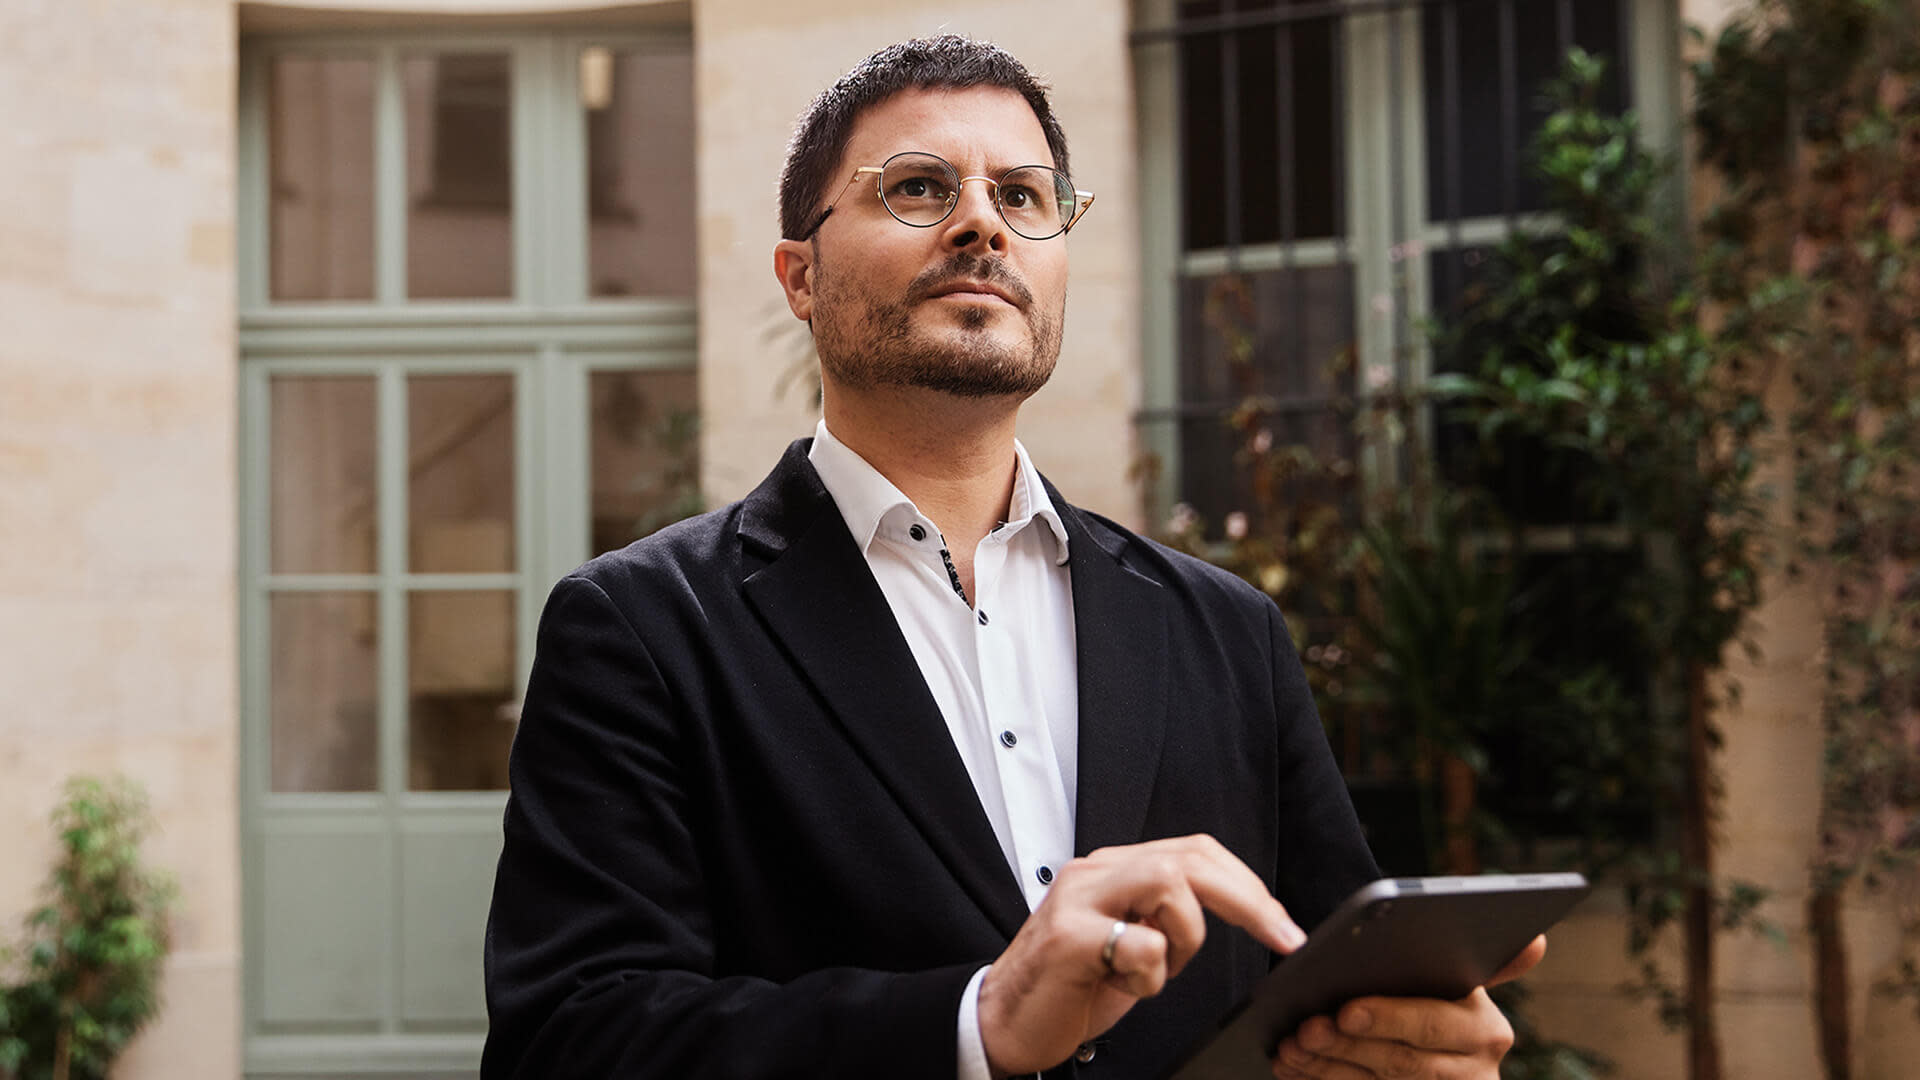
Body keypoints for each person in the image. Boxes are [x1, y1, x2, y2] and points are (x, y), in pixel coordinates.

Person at [481, 35, 1543, 1080]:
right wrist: (973, 1025)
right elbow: (570, 1039)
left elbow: (1322, 988)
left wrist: (1406, 1048)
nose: (983, 222)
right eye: (918, 188)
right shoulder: (641, 629)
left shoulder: (1227, 632)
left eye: (1025, 198)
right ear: (799, 277)